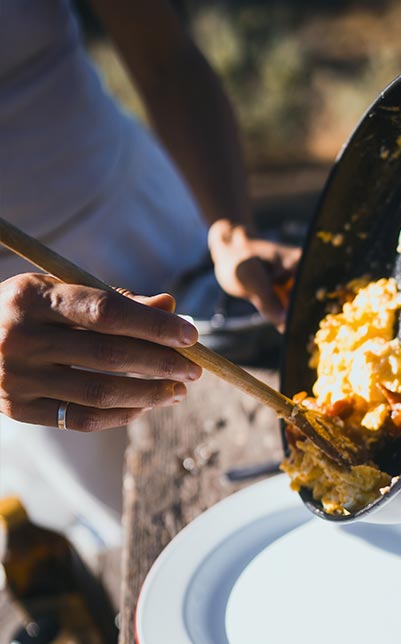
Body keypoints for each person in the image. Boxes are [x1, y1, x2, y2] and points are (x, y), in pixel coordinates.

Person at [0, 0, 299, 553]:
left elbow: (165, 57)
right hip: (25, 337)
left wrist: (229, 227)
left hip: (142, 206)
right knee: (165, 534)